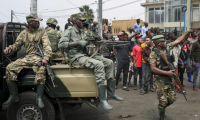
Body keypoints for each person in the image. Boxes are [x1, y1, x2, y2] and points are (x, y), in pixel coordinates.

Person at [58, 13, 123, 110]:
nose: (84, 22)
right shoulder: (70, 30)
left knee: (109, 63)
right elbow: (61, 44)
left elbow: (87, 42)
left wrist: (93, 39)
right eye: (82, 20)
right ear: (75, 21)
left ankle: (111, 93)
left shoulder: (81, 32)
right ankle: (102, 100)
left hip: (84, 55)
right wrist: (78, 42)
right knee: (99, 64)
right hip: (75, 57)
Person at [3, 14, 52, 108]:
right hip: (28, 57)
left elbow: (47, 46)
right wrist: (9, 48)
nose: (38, 22)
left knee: (41, 69)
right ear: (30, 22)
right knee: (9, 68)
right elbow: (16, 46)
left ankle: (39, 98)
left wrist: (46, 57)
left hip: (38, 57)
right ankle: (14, 95)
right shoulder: (23, 33)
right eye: (36, 21)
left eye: (38, 21)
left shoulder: (42, 32)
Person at [149, 29, 194, 120]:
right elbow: (153, 68)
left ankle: (162, 107)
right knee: (162, 101)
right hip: (160, 81)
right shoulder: (153, 54)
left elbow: (178, 40)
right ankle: (162, 115)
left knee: (172, 99)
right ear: (158, 44)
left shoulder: (167, 47)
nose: (166, 42)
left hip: (170, 79)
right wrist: (167, 73)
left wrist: (187, 33)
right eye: (163, 41)